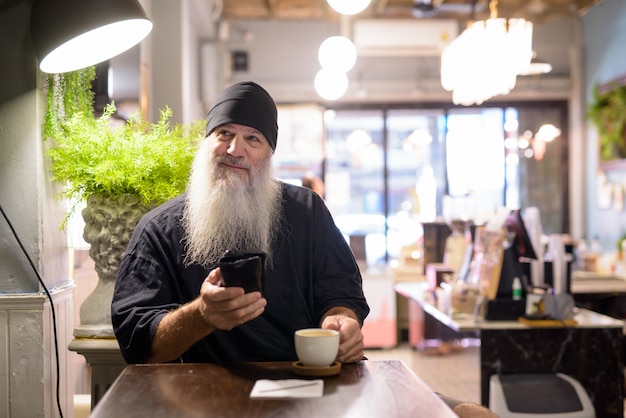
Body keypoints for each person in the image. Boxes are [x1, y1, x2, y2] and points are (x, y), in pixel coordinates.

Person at [111, 81, 369, 365]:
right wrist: (201, 315)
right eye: (225, 133)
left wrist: (342, 321)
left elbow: (341, 290)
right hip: (199, 396)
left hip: (303, 384)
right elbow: (137, 346)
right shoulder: (159, 229)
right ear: (206, 142)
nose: (235, 149)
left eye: (253, 138)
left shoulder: (307, 211)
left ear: (269, 155)